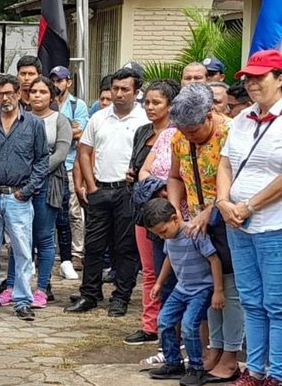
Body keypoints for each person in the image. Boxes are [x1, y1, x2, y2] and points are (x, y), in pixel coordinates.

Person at [166, 83, 242, 383]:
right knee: (207, 287)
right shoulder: (179, 137)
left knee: (229, 291)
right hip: (196, 222)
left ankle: (231, 355)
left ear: (210, 115)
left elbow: (239, 181)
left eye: (194, 131)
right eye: (184, 132)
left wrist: (211, 211)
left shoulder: (232, 133)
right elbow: (174, 176)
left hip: (229, 218)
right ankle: (213, 348)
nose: (189, 137)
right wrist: (176, 208)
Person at [216, 49, 282, 385]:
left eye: (260, 77)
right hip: (237, 225)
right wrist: (224, 201)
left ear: (280, 79)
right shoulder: (241, 119)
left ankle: (278, 372)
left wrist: (250, 205)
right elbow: (226, 163)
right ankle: (255, 371)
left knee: (277, 303)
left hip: (274, 225)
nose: (252, 83)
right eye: (249, 77)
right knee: (252, 301)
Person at [65, 67, 149, 316]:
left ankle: (121, 296)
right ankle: (89, 294)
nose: (119, 94)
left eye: (125, 89)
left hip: (128, 192)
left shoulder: (144, 120)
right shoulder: (98, 118)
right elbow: (84, 151)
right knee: (93, 245)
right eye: (115, 88)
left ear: (136, 92)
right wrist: (90, 186)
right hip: (100, 189)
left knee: (124, 248)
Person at [0, 73, 49, 320]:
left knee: (23, 250)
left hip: (19, 196)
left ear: (18, 94)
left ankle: (23, 300)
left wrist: (26, 191)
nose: (6, 98)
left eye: (10, 93)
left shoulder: (33, 124)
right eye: (0, 93)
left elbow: (42, 160)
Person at [142, 198, 224, 386]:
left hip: (201, 288)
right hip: (182, 288)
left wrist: (218, 290)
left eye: (163, 231)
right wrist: (159, 283)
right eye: (158, 234)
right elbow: (169, 258)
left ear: (174, 219)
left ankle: (196, 367)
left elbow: (214, 259)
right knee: (164, 320)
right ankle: (173, 362)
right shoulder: (169, 238)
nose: (163, 236)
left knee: (189, 325)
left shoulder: (194, 232)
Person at [122, 79, 180, 346]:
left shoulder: (179, 132)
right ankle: (150, 324)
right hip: (146, 208)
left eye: (157, 102)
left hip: (175, 213)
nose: (149, 107)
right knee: (149, 271)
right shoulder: (145, 133)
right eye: (147, 102)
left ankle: (174, 328)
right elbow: (143, 169)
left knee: (175, 271)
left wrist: (169, 193)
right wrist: (155, 187)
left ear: (171, 104)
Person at [25, 76, 71, 308]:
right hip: (21, 186)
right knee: (20, 239)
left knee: (44, 237)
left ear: (52, 96)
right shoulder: (20, 118)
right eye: (33, 91)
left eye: (43, 92)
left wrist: (35, 174)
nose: (37, 96)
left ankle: (42, 288)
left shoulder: (60, 120)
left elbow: (60, 154)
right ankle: (16, 286)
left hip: (48, 183)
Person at [51, 65, 89, 279]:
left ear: (68, 82)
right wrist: (67, 130)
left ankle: (76, 252)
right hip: (49, 166)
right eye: (54, 80)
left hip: (70, 164)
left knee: (73, 211)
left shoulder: (78, 105)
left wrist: (59, 132)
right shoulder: (47, 101)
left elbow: (80, 133)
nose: (57, 84)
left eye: (60, 80)